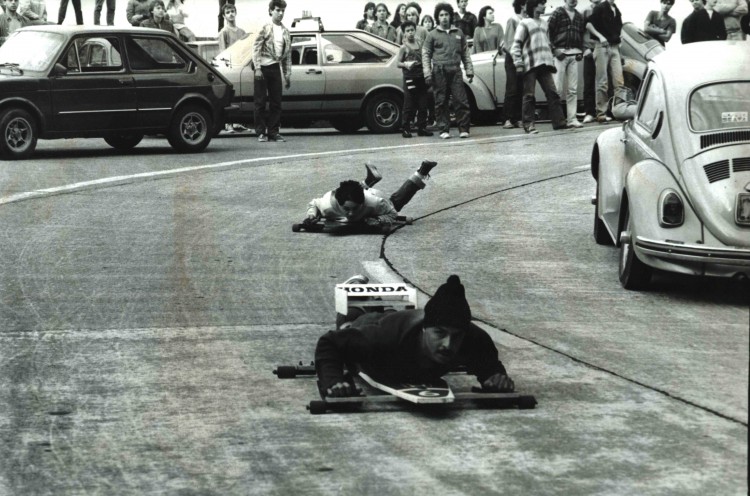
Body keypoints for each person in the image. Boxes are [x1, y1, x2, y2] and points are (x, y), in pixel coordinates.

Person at [315, 274, 515, 399]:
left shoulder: (474, 338)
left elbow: (488, 362)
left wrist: (494, 377)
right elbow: (329, 343)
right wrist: (333, 380)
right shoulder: (382, 338)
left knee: (390, 314)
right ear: (425, 329)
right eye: (440, 334)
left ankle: (379, 302)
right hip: (378, 327)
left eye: (456, 337)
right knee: (351, 324)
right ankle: (357, 290)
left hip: (399, 320)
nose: (448, 344)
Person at [305, 160, 438, 227]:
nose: (350, 214)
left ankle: (421, 172)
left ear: (362, 203)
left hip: (374, 195)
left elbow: (393, 214)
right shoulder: (327, 205)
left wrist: (379, 219)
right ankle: (368, 181)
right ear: (339, 204)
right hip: (347, 192)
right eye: (346, 209)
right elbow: (313, 203)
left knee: (396, 203)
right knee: (352, 192)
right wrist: (312, 215)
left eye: (355, 209)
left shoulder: (374, 203)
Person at [511, 0, 567, 134]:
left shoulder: (544, 23)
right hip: (530, 64)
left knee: (553, 93)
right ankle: (529, 125)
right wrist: (518, 63)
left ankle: (559, 123)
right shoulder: (524, 23)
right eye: (542, 3)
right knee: (529, 95)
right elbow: (516, 45)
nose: (544, 6)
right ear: (534, 6)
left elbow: (547, 42)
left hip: (545, 64)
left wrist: (554, 52)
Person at [422, 2, 473, 140]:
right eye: (441, 15)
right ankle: (444, 129)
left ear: (451, 16)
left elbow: (465, 53)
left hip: (455, 70)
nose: (444, 17)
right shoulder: (432, 35)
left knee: (461, 100)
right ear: (437, 18)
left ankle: (464, 129)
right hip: (439, 71)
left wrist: (469, 69)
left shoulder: (459, 33)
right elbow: (426, 54)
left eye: (446, 15)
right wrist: (427, 73)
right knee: (441, 101)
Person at [252, 0, 291, 143]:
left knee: (276, 102)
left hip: (275, 68)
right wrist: (257, 68)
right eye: (277, 10)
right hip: (262, 68)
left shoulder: (285, 31)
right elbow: (256, 47)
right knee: (260, 102)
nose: (280, 13)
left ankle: (273, 132)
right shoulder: (265, 27)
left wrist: (287, 75)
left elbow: (287, 55)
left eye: (282, 11)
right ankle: (260, 132)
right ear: (271, 11)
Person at [548, 0, 586, 129]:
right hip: (560, 54)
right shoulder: (557, 13)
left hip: (574, 55)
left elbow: (581, 35)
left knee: (572, 89)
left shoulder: (579, 16)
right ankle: (558, 120)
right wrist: (554, 50)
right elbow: (548, 33)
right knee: (557, 88)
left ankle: (572, 119)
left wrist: (580, 50)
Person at [586, 0, 625, 123]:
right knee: (602, 81)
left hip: (614, 47)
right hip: (602, 46)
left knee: (619, 81)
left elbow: (619, 28)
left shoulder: (617, 10)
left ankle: (619, 111)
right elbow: (588, 25)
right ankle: (601, 113)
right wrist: (601, 36)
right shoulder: (600, 7)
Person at [218, 2, 250, 133]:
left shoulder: (242, 32)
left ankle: (238, 123)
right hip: (229, 67)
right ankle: (228, 124)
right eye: (228, 12)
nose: (231, 14)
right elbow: (223, 51)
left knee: (240, 95)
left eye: (232, 11)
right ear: (224, 16)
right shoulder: (224, 32)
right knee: (230, 96)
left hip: (240, 67)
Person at [398, 21, 433, 138]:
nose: (410, 33)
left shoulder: (420, 43)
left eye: (412, 30)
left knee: (423, 103)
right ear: (404, 33)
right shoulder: (403, 47)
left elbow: (425, 57)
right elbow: (398, 63)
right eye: (408, 31)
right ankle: (405, 128)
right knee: (409, 103)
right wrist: (406, 65)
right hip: (409, 78)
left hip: (421, 77)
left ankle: (422, 127)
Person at [501, 0, 525, 129]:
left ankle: (517, 118)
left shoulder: (526, 19)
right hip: (512, 58)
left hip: (522, 58)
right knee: (512, 88)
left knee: (521, 88)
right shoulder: (513, 20)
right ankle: (507, 118)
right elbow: (509, 43)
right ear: (522, 5)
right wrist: (517, 59)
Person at [581, 0, 602, 124]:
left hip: (602, 49)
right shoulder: (585, 11)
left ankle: (603, 112)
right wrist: (584, 49)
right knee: (588, 82)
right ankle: (589, 113)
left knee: (603, 81)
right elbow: (579, 31)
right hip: (589, 50)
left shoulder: (606, 9)